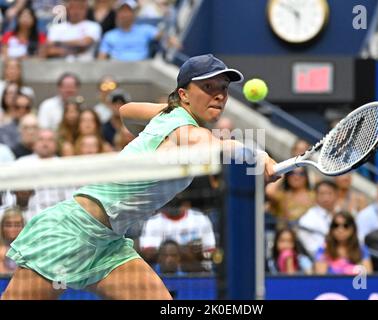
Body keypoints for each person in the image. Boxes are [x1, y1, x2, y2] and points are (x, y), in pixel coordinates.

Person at [1, 54, 278, 299]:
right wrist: (257, 155)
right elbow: (215, 145)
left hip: (108, 244)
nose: (218, 95)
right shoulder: (191, 131)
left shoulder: (168, 116)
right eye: (207, 87)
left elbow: (126, 112)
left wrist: (161, 124)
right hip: (70, 232)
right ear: (183, 94)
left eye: (223, 89)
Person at [297, 180, 338, 257]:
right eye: (322, 194)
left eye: (329, 193)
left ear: (336, 195)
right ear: (315, 196)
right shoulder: (307, 219)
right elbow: (312, 249)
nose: (326, 197)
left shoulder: (341, 214)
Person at [0, 208, 25, 275]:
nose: (12, 229)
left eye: (17, 225)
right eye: (8, 225)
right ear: (2, 227)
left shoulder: (30, 249)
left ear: (23, 227)